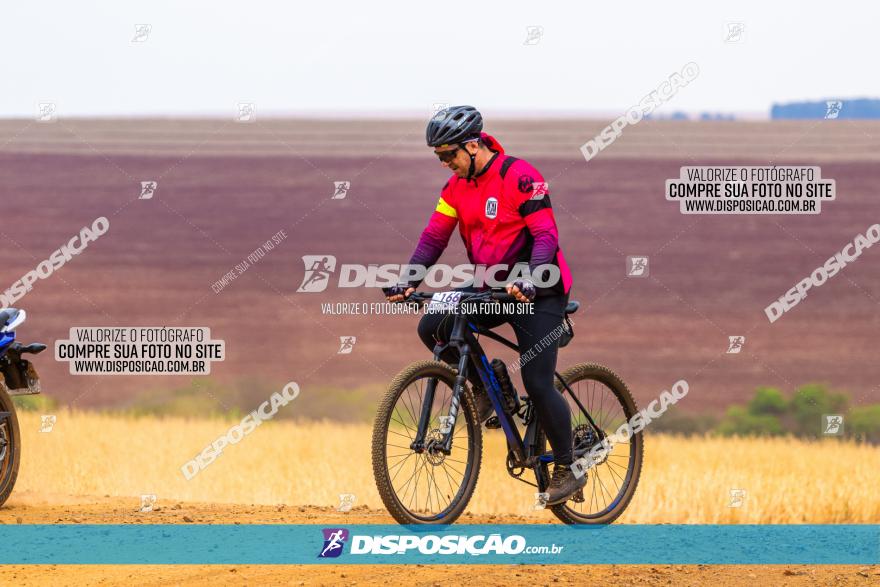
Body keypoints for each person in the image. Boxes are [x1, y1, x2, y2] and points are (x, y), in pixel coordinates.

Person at [384, 105, 582, 505]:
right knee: (434, 325)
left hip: (540, 291)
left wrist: (531, 277)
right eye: (438, 157)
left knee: (538, 382)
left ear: (473, 145)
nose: (445, 164)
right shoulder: (455, 189)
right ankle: (490, 389)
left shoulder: (520, 176)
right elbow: (434, 238)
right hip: (492, 287)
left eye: (449, 155)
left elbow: (546, 235)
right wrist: (408, 280)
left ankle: (567, 467)